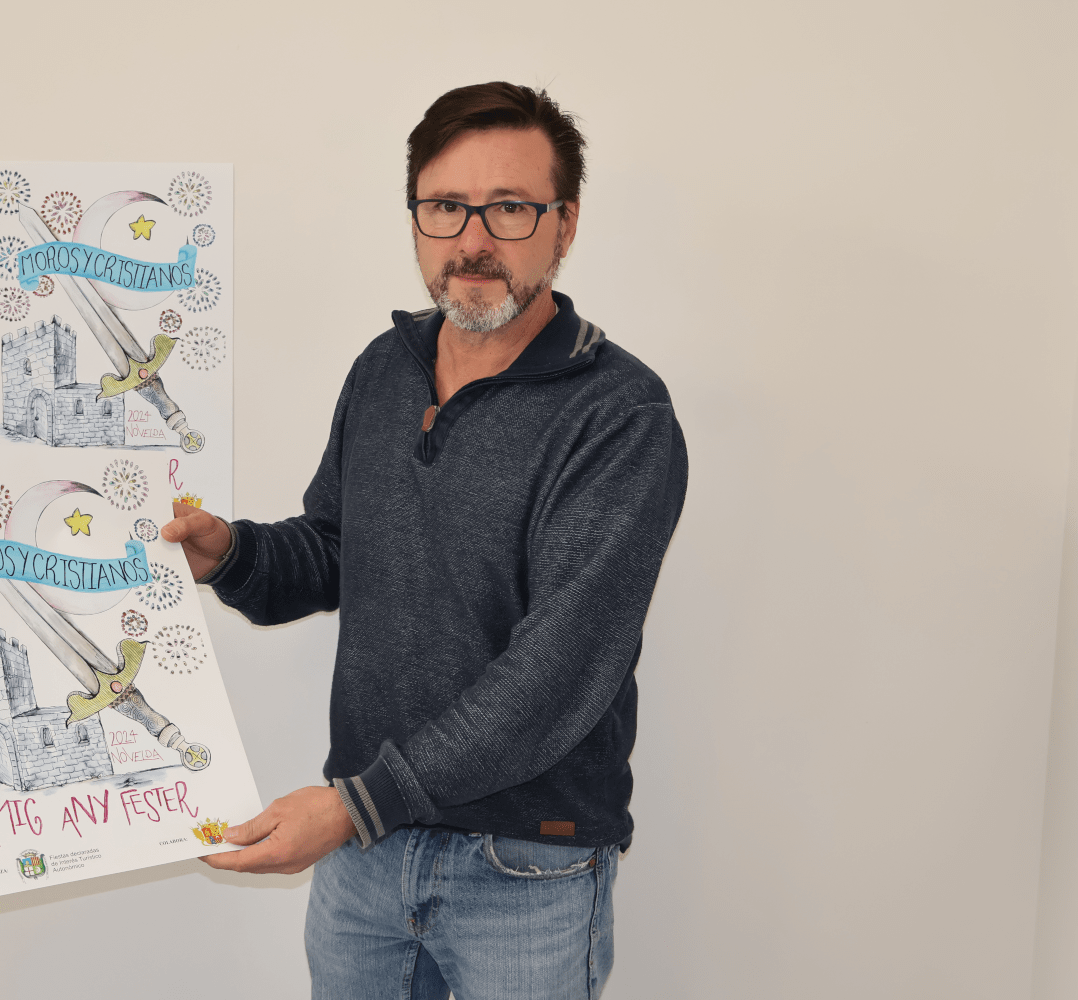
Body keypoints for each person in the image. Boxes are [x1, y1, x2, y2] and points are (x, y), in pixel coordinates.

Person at [164, 81, 688, 1000]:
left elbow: (556, 673)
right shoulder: (384, 369)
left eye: (509, 208)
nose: (472, 240)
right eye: (445, 206)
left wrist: (352, 807)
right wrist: (232, 555)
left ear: (564, 225)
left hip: (524, 869)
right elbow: (337, 548)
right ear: (415, 217)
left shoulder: (618, 413)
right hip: (366, 860)